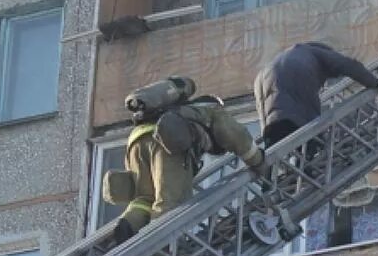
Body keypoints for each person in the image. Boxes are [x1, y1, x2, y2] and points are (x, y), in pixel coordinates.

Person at [103, 76, 267, 244]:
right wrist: (258, 161)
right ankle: (162, 247)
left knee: (145, 199)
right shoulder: (212, 111)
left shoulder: (178, 110)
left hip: (136, 141)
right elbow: (235, 136)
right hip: (167, 143)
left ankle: (128, 225)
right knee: (170, 200)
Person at [253, 41, 378, 150]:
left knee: (273, 145)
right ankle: (308, 164)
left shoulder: (270, 67)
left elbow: (261, 109)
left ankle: (269, 179)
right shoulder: (315, 53)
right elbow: (348, 64)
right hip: (298, 83)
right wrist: (374, 82)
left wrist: (265, 133)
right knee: (310, 133)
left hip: (272, 117)